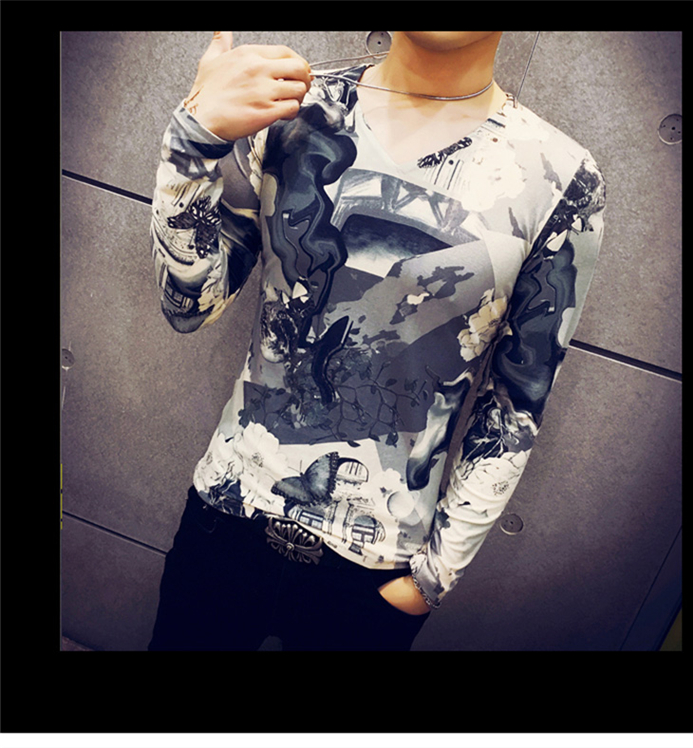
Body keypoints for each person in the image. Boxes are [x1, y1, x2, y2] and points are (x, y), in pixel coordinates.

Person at [147, 31, 606, 651]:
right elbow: (188, 305)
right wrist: (192, 140)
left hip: (376, 571)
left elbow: (515, 402)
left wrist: (431, 581)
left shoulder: (562, 180)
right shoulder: (290, 111)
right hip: (228, 514)